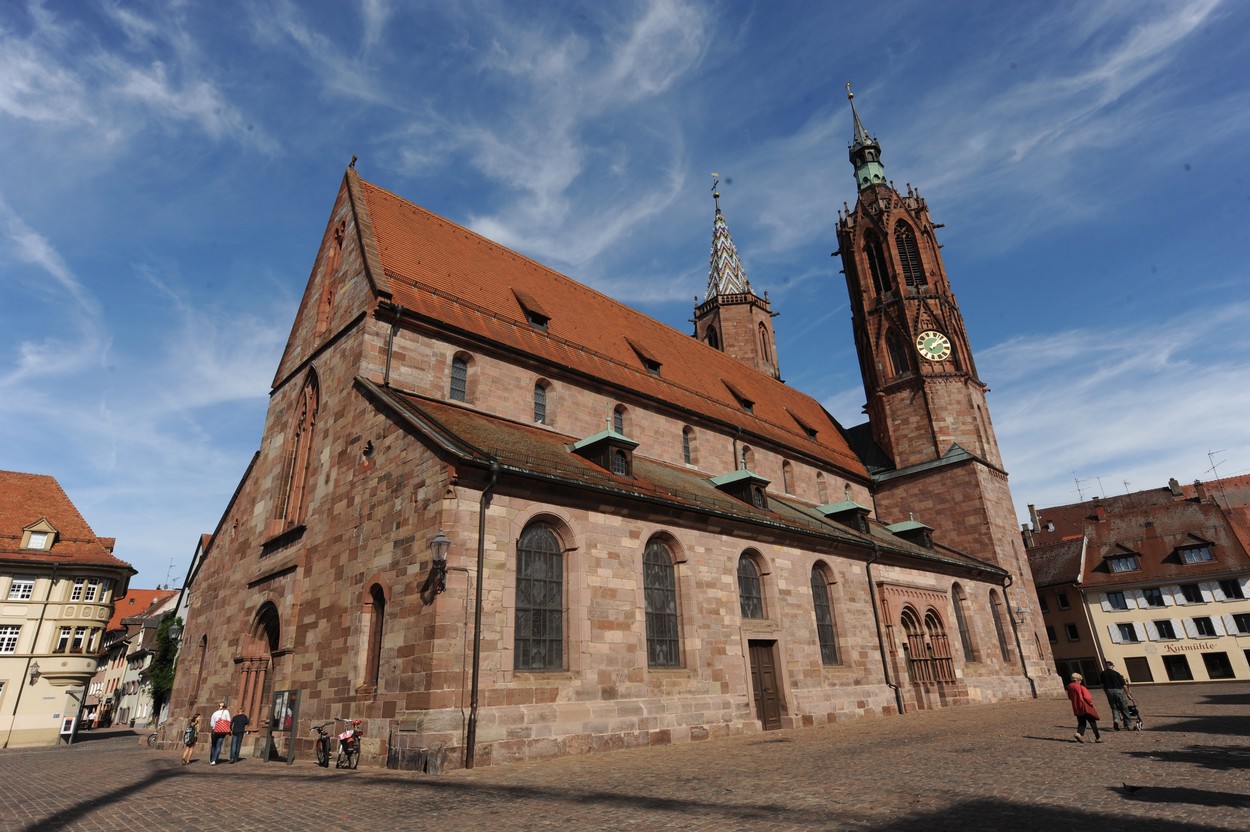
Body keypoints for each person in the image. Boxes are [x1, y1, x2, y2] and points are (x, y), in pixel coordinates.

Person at [1066, 673, 1102, 743]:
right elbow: (1087, 697)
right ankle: (1098, 737)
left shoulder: (1069, 687)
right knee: (1092, 722)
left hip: (1077, 707)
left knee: (1081, 722)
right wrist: (1091, 703)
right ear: (1078, 679)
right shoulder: (1081, 687)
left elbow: (1070, 697)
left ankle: (1078, 734)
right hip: (1084, 706)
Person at [1099, 660, 1134, 730]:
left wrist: (1106, 692)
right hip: (1118, 690)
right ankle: (1128, 724)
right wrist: (1128, 695)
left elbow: (1102, 684)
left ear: (1106, 666)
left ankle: (1116, 720)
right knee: (1124, 707)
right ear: (1112, 666)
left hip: (1109, 691)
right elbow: (1124, 685)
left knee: (1114, 707)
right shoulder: (1116, 673)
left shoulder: (1103, 673)